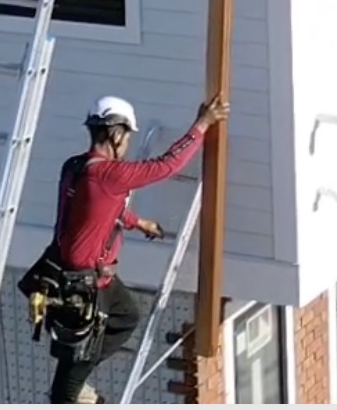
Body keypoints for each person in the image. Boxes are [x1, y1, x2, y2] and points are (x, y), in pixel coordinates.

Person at [35, 92, 228, 404]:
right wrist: (201, 125)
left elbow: (96, 210)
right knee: (67, 389)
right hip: (85, 286)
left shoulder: (75, 167)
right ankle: (73, 384)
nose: (126, 145)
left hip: (76, 276)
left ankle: (78, 372)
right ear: (116, 133)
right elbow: (166, 166)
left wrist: (139, 222)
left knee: (126, 315)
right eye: (126, 136)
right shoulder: (109, 173)